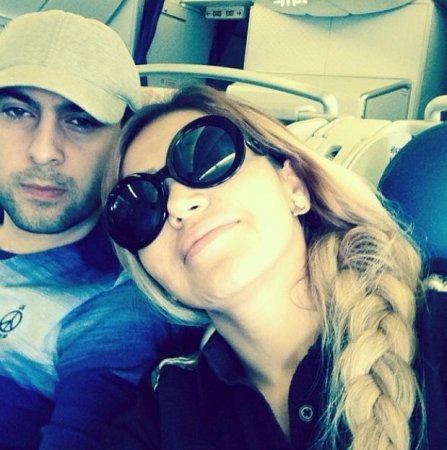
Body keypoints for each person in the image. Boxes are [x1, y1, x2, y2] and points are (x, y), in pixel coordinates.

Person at [102, 84, 447, 450]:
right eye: (139, 207)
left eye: (210, 159)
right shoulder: (163, 412)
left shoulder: (435, 329)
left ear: (294, 186)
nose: (178, 205)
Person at [0, 10, 199, 450]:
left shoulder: (114, 307)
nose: (43, 151)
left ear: (123, 141)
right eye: (16, 111)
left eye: (81, 120)